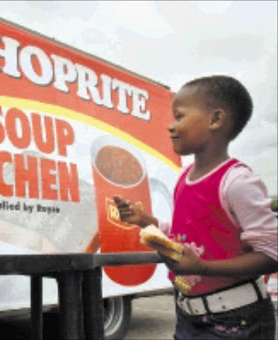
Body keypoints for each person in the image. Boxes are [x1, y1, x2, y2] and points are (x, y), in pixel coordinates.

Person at [114, 75, 277, 340]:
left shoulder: (236, 181)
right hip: (187, 316)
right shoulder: (183, 177)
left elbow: (271, 254)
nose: (171, 126)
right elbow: (185, 233)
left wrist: (202, 267)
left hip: (237, 319)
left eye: (179, 116)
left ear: (215, 120)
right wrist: (146, 221)